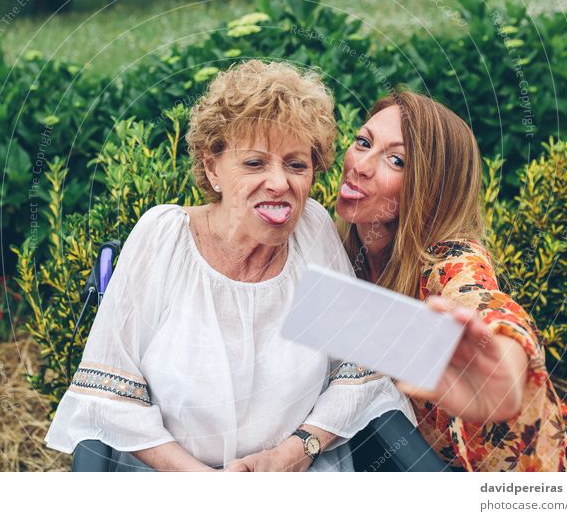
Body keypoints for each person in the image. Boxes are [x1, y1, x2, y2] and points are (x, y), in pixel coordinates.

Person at [44, 60, 415, 471]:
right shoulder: (163, 238)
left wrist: (294, 452)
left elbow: (356, 369)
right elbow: (110, 398)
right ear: (211, 167)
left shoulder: (312, 229)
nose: (279, 183)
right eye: (254, 163)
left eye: (296, 165)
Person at [335, 90, 567, 471]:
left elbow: (483, 302)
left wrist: (506, 371)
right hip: (411, 447)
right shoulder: (337, 247)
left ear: (431, 187)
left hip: (499, 456)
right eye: (363, 142)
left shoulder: (446, 260)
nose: (361, 165)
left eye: (395, 160)